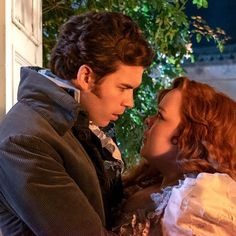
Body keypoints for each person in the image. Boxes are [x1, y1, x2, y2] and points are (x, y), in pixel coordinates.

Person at [0, 11, 153, 235]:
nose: (129, 102)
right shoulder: (27, 141)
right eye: (123, 88)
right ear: (86, 77)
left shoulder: (73, 125)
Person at [114, 77, 236, 235]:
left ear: (191, 136)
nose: (148, 120)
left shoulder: (198, 204)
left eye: (160, 116)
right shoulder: (150, 182)